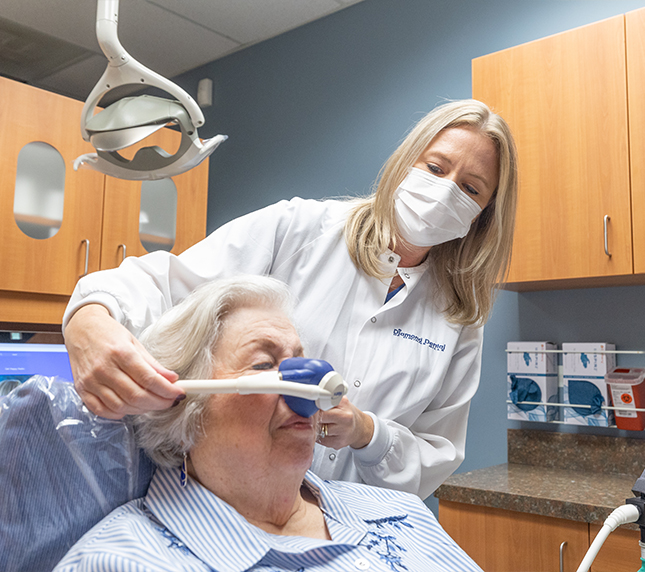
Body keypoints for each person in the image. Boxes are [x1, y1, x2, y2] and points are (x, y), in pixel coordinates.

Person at [63, 99, 518, 499]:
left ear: (484, 214)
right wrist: (89, 320)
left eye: (471, 188)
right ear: (404, 164)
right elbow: (164, 281)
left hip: (352, 522)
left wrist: (367, 433)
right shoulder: (300, 229)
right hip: (230, 500)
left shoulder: (459, 315)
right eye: (436, 168)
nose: (445, 191)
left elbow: (436, 453)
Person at [54, 276, 483, 572]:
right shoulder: (123, 561)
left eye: (299, 362)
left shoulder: (400, 512)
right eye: (264, 364)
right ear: (181, 400)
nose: (310, 386)